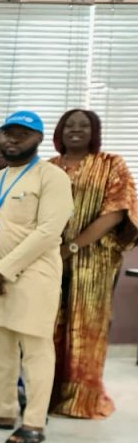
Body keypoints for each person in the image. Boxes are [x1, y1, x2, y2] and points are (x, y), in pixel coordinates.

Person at [0, 111, 73, 443]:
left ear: (39, 138)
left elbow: (49, 232)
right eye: (9, 133)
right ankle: (2, 411)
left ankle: (34, 422)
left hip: (32, 277)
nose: (13, 140)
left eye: (22, 134)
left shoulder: (52, 177)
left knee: (35, 351)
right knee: (0, 350)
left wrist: (2, 270)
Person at [49, 109, 138, 419]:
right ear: (59, 131)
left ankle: (81, 399)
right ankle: (47, 394)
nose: (75, 130)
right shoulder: (48, 167)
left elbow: (117, 211)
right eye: (69, 125)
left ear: (94, 131)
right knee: (50, 326)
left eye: (83, 125)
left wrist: (73, 245)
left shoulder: (111, 164)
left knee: (87, 327)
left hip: (94, 260)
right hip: (50, 258)